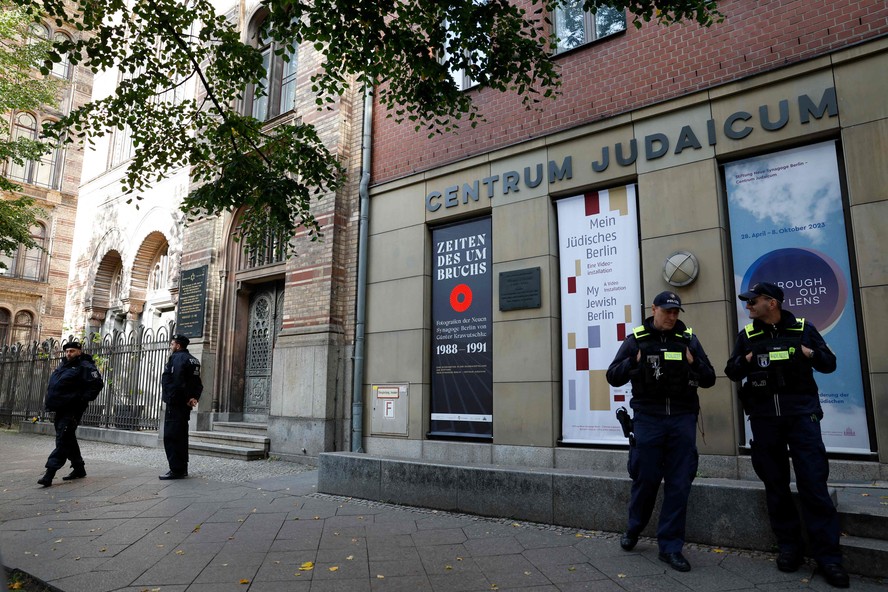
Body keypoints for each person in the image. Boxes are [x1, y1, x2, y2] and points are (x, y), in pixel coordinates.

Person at [725, 282, 848, 588]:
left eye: (753, 301)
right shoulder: (748, 335)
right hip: (765, 420)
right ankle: (789, 547)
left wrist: (807, 352)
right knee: (775, 485)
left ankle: (828, 557)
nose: (748, 305)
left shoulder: (804, 328)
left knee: (813, 484)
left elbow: (829, 363)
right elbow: (732, 371)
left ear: (772, 303)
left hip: (801, 417)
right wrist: (747, 360)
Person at [606, 291, 715, 572]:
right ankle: (634, 528)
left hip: (682, 419)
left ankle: (670, 547)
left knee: (679, 485)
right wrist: (633, 362)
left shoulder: (688, 339)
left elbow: (710, 378)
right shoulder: (637, 339)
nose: (672, 316)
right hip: (649, 419)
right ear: (653, 309)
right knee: (646, 479)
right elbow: (613, 376)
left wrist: (694, 362)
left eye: (676, 312)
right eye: (667, 311)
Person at [39, 341, 104, 487]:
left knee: (63, 438)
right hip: (60, 407)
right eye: (67, 351)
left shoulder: (85, 366)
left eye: (72, 351)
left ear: (79, 351)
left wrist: (82, 399)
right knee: (67, 437)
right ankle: (79, 468)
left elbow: (97, 384)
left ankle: (49, 473)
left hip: (73, 408)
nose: (69, 354)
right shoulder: (63, 365)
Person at [160, 334, 202, 480]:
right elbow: (197, 383)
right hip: (185, 404)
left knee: (171, 436)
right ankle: (182, 468)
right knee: (182, 436)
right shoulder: (193, 359)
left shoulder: (177, 358)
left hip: (176, 404)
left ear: (178, 345)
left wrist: (174, 399)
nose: (171, 346)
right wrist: (193, 397)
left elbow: (177, 382)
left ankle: (176, 470)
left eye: (172, 344)